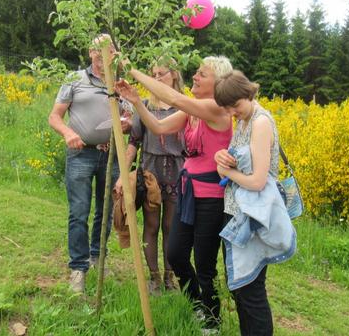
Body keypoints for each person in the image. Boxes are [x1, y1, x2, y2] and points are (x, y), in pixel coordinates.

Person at [115, 56, 233, 329]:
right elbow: (158, 127)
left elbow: (174, 99)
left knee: (204, 265)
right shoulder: (192, 112)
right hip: (188, 191)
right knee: (177, 254)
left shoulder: (216, 108)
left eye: (202, 74)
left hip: (211, 197)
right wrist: (135, 102)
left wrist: (132, 69)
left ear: (218, 83)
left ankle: (211, 322)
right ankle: (197, 306)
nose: (195, 76)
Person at [214, 71, 296, 336]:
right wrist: (223, 160)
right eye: (227, 109)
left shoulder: (260, 122)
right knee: (239, 285)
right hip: (237, 213)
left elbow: (259, 181)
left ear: (248, 94)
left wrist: (227, 173)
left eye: (235, 106)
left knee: (251, 290)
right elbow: (238, 165)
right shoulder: (244, 121)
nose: (232, 113)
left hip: (251, 217)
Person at [48, 34, 129, 294]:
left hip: (111, 156)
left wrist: (127, 123)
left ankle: (98, 259)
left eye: (108, 49)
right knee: (79, 212)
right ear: (89, 52)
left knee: (105, 212)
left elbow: (128, 116)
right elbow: (55, 116)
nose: (102, 53)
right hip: (81, 153)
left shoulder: (119, 84)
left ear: (114, 54)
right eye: (97, 48)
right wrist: (68, 133)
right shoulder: (74, 80)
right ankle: (78, 268)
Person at [114, 59, 186, 294]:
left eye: (161, 74)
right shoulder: (143, 105)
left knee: (171, 227)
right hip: (151, 173)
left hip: (177, 172)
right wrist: (123, 175)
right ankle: (154, 278)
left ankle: (169, 277)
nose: (156, 78)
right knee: (152, 226)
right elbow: (133, 142)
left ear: (173, 75)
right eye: (152, 74)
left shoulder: (184, 108)